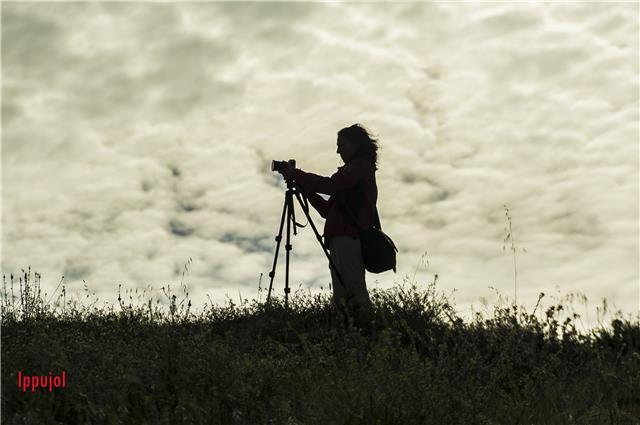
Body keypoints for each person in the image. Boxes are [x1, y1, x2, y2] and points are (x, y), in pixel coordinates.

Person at [279, 124, 378, 329]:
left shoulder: (358, 168)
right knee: (343, 294)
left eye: (342, 145)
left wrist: (297, 174)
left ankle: (368, 331)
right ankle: (349, 332)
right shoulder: (354, 172)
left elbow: (329, 185)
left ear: (355, 145)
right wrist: (304, 189)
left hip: (348, 237)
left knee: (353, 290)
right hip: (341, 237)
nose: (338, 151)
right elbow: (327, 210)